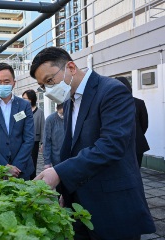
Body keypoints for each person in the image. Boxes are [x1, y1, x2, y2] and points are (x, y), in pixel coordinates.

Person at [30, 47, 155, 239]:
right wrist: (67, 190)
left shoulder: (111, 91)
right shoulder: (71, 100)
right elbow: (72, 149)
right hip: (81, 203)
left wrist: (59, 173)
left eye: (49, 81)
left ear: (71, 67)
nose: (48, 90)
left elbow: (111, 145)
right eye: (43, 86)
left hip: (113, 205)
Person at [0, 63, 35, 180]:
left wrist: (15, 167)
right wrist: (4, 167)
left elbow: (29, 138)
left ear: (14, 83)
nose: (2, 85)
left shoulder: (24, 105)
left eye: (7, 82)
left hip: (21, 170)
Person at [115, 77, 150, 168]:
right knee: (135, 171)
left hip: (126, 144)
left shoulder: (139, 103)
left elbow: (144, 124)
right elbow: (144, 124)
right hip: (131, 144)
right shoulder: (139, 103)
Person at [22, 89, 44, 179]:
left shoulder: (40, 112)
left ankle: (32, 179)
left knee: (33, 162)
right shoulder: (22, 111)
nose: (23, 100)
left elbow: (43, 127)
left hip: (34, 141)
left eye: (25, 98)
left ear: (31, 99)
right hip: (23, 141)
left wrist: (42, 143)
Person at [43, 103, 64, 169]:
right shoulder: (50, 119)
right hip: (56, 158)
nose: (63, 116)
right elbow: (46, 141)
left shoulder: (71, 117)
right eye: (61, 114)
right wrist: (47, 162)